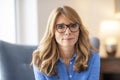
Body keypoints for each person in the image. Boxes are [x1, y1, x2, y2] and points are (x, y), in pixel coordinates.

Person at [31, 5, 100, 80]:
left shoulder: (93, 58)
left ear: (79, 30)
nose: (68, 32)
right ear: (52, 31)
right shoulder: (40, 59)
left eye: (73, 26)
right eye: (60, 27)